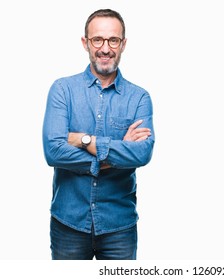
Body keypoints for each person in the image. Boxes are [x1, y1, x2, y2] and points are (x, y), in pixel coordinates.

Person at [42, 8, 155, 260]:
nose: (105, 48)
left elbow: (142, 153)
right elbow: (53, 151)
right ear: (85, 43)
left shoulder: (139, 98)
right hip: (68, 223)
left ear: (123, 44)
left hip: (119, 227)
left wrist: (82, 140)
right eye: (98, 40)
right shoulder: (62, 90)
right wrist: (114, 154)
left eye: (113, 40)